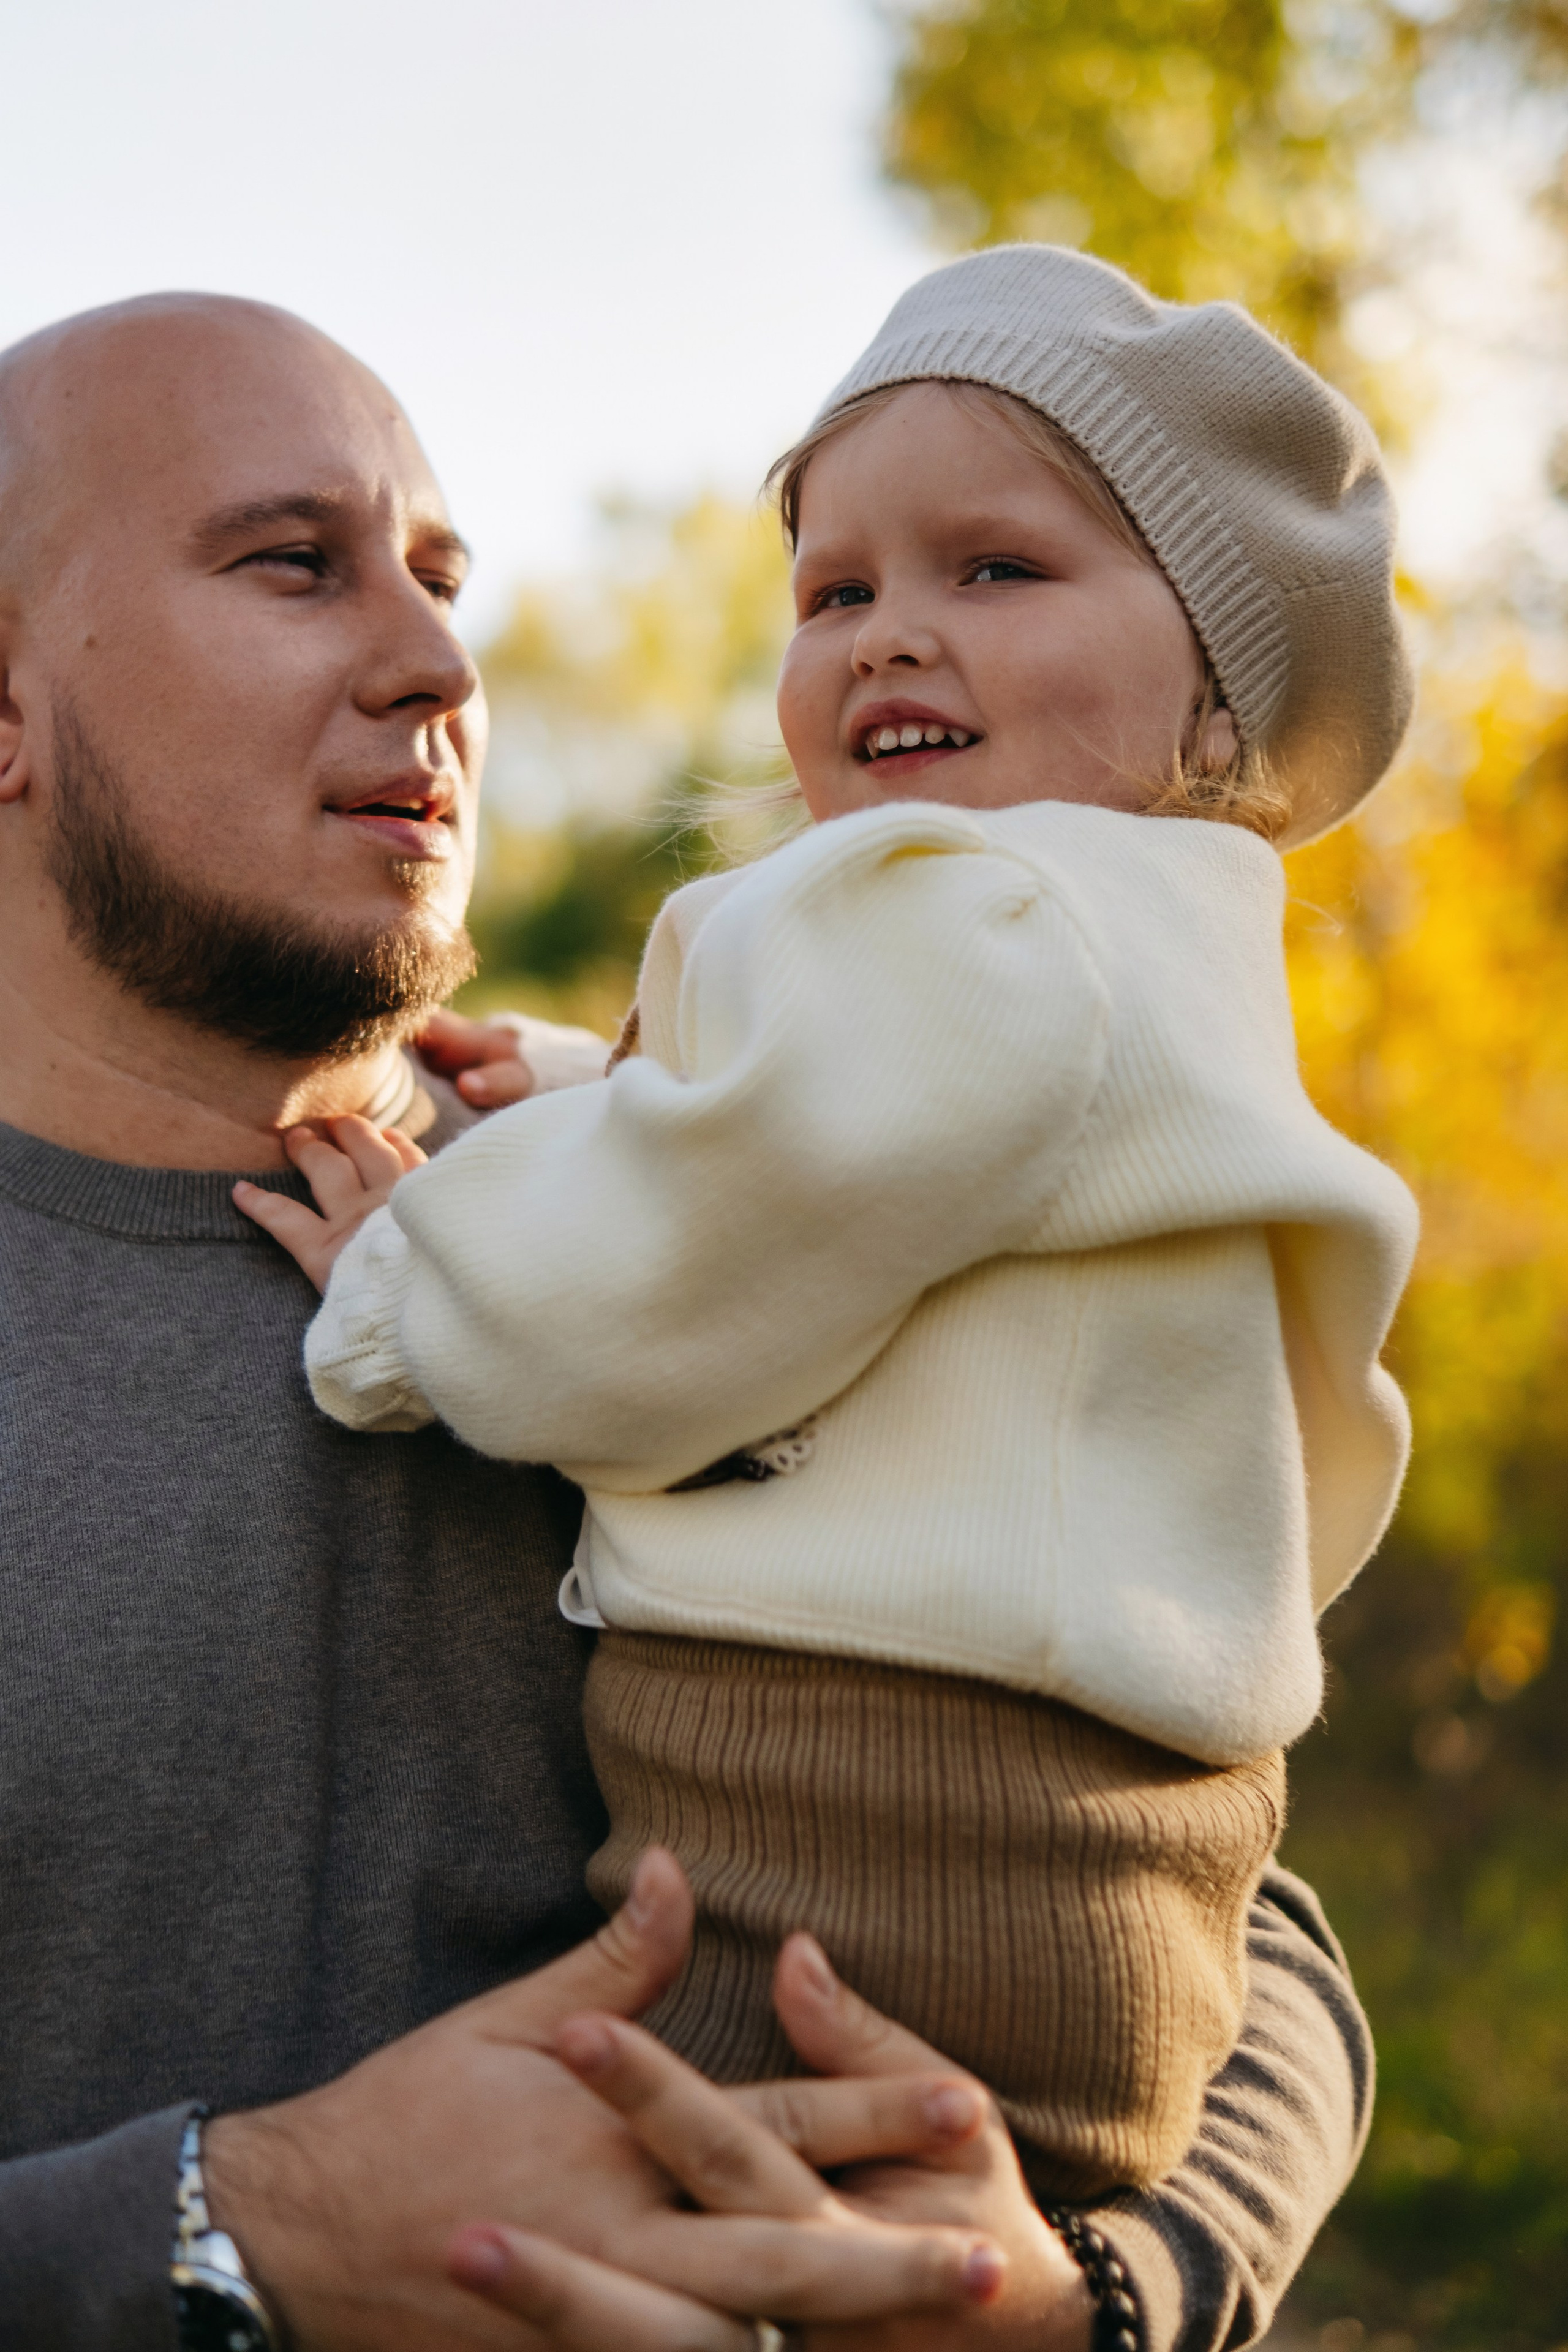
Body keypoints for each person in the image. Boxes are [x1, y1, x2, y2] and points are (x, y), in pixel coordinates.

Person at [0, 283, 1371, 2352]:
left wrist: (1085, 2295)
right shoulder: (653, 1206)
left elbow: (1228, 1910)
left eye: (444, 580)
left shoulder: (706, 1202)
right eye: (297, 565)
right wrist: (226, 2229)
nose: (440, 662)